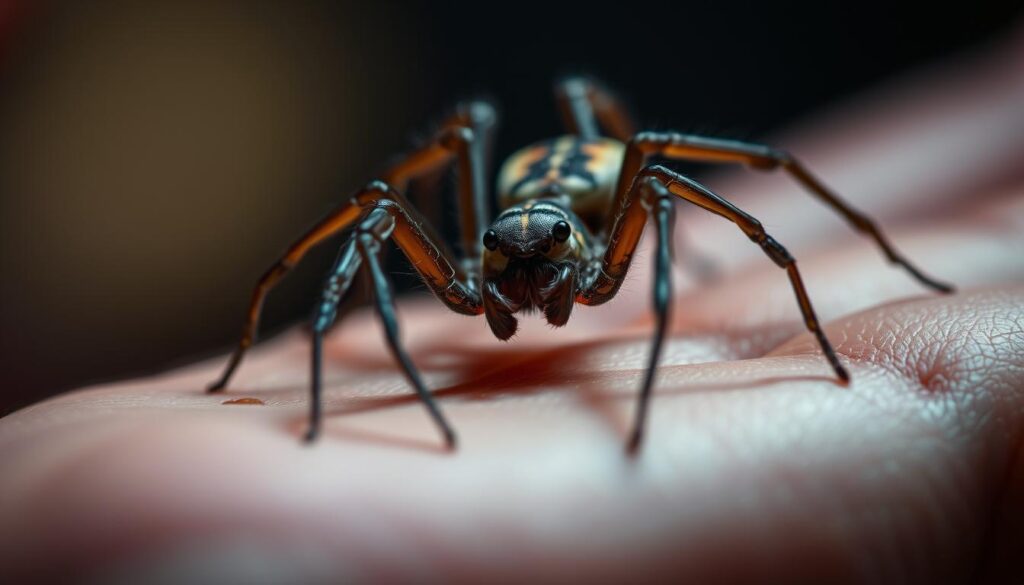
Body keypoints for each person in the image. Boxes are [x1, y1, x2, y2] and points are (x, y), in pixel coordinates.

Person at [2, 32, 1023, 584]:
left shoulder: (605, 233)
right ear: (488, 254)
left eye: (535, 269)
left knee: (657, 160)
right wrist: (272, 342)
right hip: (533, 179)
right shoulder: (477, 255)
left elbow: (745, 174)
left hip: (584, 181)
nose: (522, 284)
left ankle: (871, 247)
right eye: (506, 267)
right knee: (379, 205)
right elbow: (372, 220)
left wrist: (701, 263)